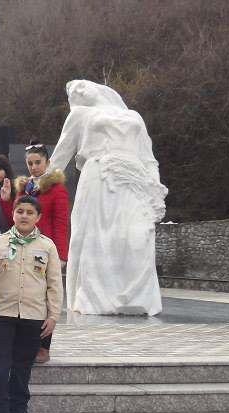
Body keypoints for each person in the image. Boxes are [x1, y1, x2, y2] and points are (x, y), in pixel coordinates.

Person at [48, 79, 168, 316]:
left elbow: (148, 158)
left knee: (138, 237)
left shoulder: (133, 116)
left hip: (135, 180)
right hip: (99, 177)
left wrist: (154, 188)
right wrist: (31, 189)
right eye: (73, 91)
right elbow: (59, 159)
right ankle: (96, 298)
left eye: (80, 85)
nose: (78, 90)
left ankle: (137, 298)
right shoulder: (80, 115)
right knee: (99, 240)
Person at [0, 196, 63, 413]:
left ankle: (19, 409)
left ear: (38, 217)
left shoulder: (47, 246)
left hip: (33, 315)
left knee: (22, 366)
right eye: (20, 211)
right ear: (12, 214)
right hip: (3, 313)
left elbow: (54, 283)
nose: (24, 216)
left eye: (30, 212)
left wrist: (53, 315)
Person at [0, 139, 69, 363]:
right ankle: (26, 341)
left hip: (46, 249)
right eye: (30, 163)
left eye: (38, 162)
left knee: (46, 295)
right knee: (29, 293)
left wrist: (61, 255)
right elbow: (15, 217)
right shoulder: (24, 188)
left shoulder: (56, 189)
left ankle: (44, 345)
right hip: (23, 247)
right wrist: (6, 201)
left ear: (47, 162)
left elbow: (61, 223)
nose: (33, 167)